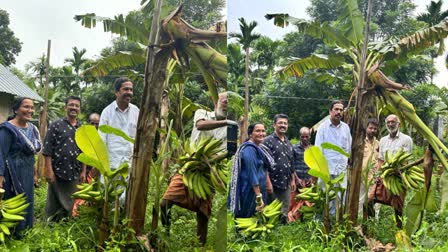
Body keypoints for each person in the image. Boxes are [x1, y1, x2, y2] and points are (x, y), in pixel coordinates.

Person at [161, 92, 232, 245]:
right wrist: (227, 122)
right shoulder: (202, 113)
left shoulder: (231, 129)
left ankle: (201, 244)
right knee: (165, 202)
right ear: (216, 104)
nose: (226, 103)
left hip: (208, 170)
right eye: (223, 101)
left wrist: (210, 162)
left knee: (203, 212)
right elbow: (200, 125)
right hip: (189, 164)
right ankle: (165, 235)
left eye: (228, 104)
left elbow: (228, 152)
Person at [0, 97, 41, 234]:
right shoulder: (7, 129)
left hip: (27, 172)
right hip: (11, 174)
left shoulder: (33, 129)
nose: (30, 110)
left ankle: (25, 231)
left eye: (32, 107)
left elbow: (31, 155)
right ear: (16, 109)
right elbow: (1, 154)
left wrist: (35, 174)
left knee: (27, 200)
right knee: (13, 201)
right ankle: (12, 234)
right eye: (26, 107)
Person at [43, 96, 86, 221]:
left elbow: (84, 152)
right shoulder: (56, 125)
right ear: (65, 107)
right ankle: (49, 225)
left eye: (77, 106)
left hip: (74, 171)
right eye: (71, 105)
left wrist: (83, 171)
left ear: (79, 109)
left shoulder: (81, 128)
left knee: (70, 201)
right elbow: (47, 149)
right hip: (57, 171)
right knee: (53, 202)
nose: (74, 108)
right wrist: (49, 170)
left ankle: (66, 224)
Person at [373, 114, 412, 228]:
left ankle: (398, 229)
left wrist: (399, 171)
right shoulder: (383, 141)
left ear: (398, 124)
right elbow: (380, 160)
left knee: (398, 206)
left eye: (393, 122)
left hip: (399, 176)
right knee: (371, 199)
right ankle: (370, 228)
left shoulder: (406, 139)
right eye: (388, 122)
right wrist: (377, 174)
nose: (390, 124)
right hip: (385, 175)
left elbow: (407, 160)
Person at [228, 123, 274, 218]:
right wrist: (258, 196)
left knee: (257, 217)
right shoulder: (249, 150)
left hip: (259, 190)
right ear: (250, 134)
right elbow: (252, 174)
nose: (261, 133)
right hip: (250, 191)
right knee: (247, 217)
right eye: (257, 131)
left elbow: (264, 168)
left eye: (263, 131)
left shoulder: (259, 148)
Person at [314, 100, 352, 215]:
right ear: (330, 111)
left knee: (340, 198)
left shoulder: (346, 128)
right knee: (325, 198)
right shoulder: (322, 128)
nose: (339, 112)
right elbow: (318, 150)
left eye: (341, 110)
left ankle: (337, 222)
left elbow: (348, 149)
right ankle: (322, 224)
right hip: (326, 170)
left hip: (341, 170)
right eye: (336, 109)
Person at [99, 77, 139, 171]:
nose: (129, 92)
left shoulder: (136, 111)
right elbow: (102, 139)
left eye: (131, 90)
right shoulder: (107, 112)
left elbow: (139, 137)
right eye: (126, 89)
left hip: (130, 165)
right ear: (117, 92)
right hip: (112, 165)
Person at [262, 114, 296, 224]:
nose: (283, 125)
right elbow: (263, 164)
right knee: (271, 208)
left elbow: (291, 163)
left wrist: (293, 180)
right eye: (280, 123)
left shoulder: (288, 142)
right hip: (272, 181)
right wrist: (268, 182)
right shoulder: (267, 141)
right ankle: (270, 229)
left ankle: (282, 229)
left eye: (285, 123)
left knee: (284, 208)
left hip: (285, 181)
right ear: (274, 125)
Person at [289, 127, 314, 222]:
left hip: (308, 179)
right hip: (297, 178)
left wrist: (312, 177)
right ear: (300, 137)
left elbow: (314, 165)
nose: (304, 139)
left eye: (306, 137)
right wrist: (295, 179)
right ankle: (294, 219)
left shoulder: (312, 149)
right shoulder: (294, 148)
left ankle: (307, 219)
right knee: (295, 200)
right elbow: (291, 164)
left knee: (308, 201)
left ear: (309, 137)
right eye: (302, 137)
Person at [359, 118, 379, 217]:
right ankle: (360, 224)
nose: (372, 130)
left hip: (375, 178)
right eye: (370, 128)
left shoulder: (379, 144)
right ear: (366, 128)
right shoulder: (360, 142)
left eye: (375, 129)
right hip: (361, 177)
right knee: (360, 201)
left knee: (375, 203)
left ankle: (373, 226)